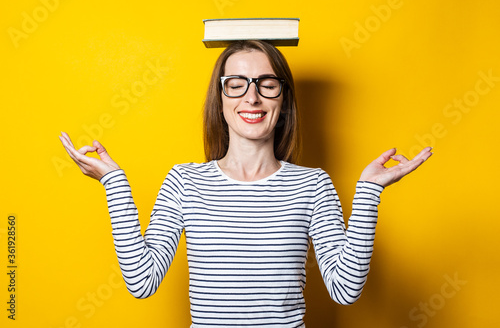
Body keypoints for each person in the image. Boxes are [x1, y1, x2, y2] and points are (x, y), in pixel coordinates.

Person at [59, 40, 432, 327]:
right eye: (235, 84)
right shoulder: (184, 181)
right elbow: (142, 282)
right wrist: (114, 183)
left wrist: (368, 193)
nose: (251, 96)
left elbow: (344, 290)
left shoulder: (313, 186)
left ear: (283, 99)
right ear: (219, 99)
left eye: (267, 83)